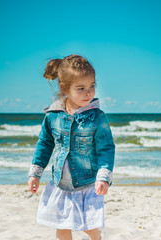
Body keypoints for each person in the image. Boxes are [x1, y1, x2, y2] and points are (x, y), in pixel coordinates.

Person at [27, 54, 115, 240]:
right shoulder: (52, 116)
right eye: (81, 88)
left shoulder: (97, 117)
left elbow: (106, 148)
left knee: (89, 226)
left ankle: (96, 237)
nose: (88, 93)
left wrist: (104, 176)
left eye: (92, 86)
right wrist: (35, 173)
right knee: (62, 226)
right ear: (64, 88)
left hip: (87, 183)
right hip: (61, 183)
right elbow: (44, 144)